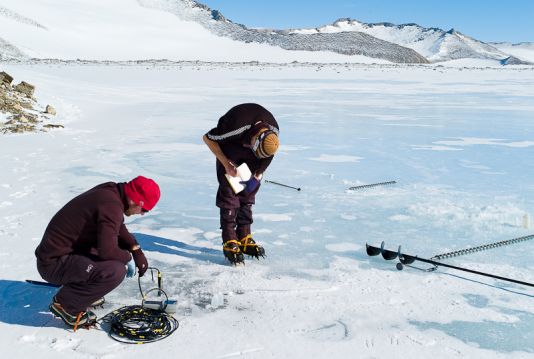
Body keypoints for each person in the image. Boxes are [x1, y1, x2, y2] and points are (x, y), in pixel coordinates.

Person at [35, 176, 160, 329]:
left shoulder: (111, 191)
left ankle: (83, 292)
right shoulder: (111, 205)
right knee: (115, 270)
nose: (142, 214)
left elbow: (117, 226)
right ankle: (66, 304)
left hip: (62, 254)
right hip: (53, 264)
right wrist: (127, 257)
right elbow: (107, 251)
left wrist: (135, 249)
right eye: (144, 209)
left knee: (106, 256)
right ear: (135, 200)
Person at [203, 103, 279, 264]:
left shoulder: (273, 135)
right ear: (254, 141)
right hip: (231, 147)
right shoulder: (236, 127)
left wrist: (257, 174)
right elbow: (207, 138)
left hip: (253, 155)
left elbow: (267, 157)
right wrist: (226, 164)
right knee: (230, 194)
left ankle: (244, 235)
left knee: (249, 190)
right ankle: (229, 238)